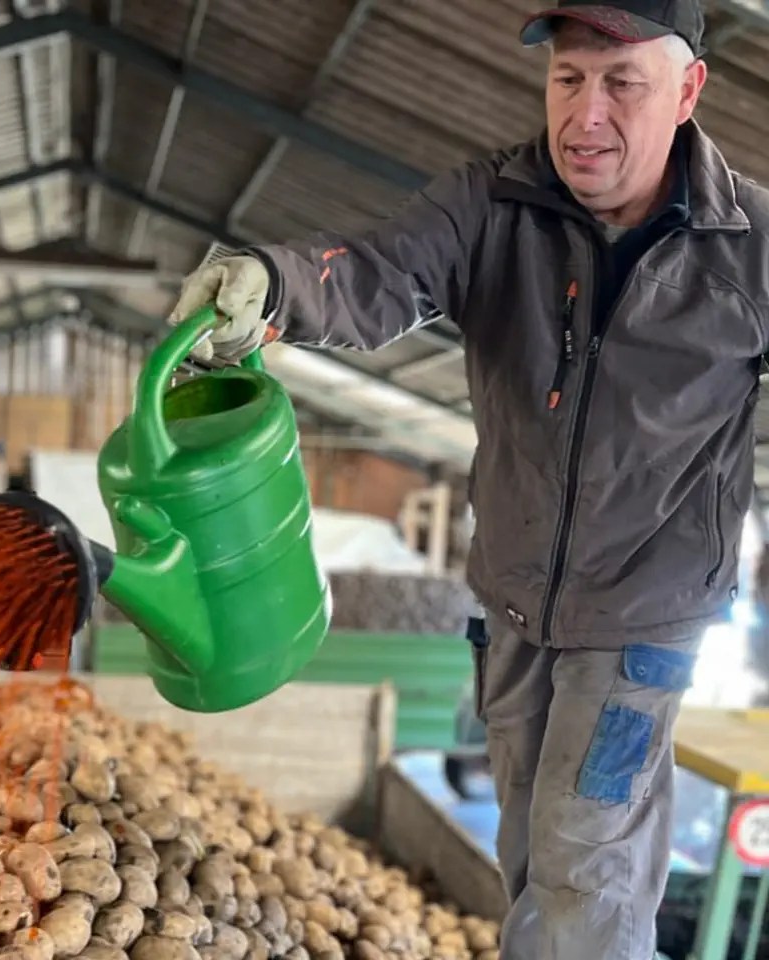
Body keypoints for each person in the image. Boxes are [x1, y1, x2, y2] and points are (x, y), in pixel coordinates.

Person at [166, 1, 769, 958]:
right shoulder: (496, 204)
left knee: (585, 877)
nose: (586, 116)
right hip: (515, 608)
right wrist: (274, 286)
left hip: (642, 625)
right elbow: (374, 271)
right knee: (533, 859)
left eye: (622, 84)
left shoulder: (751, 248)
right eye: (568, 79)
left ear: (689, 90)